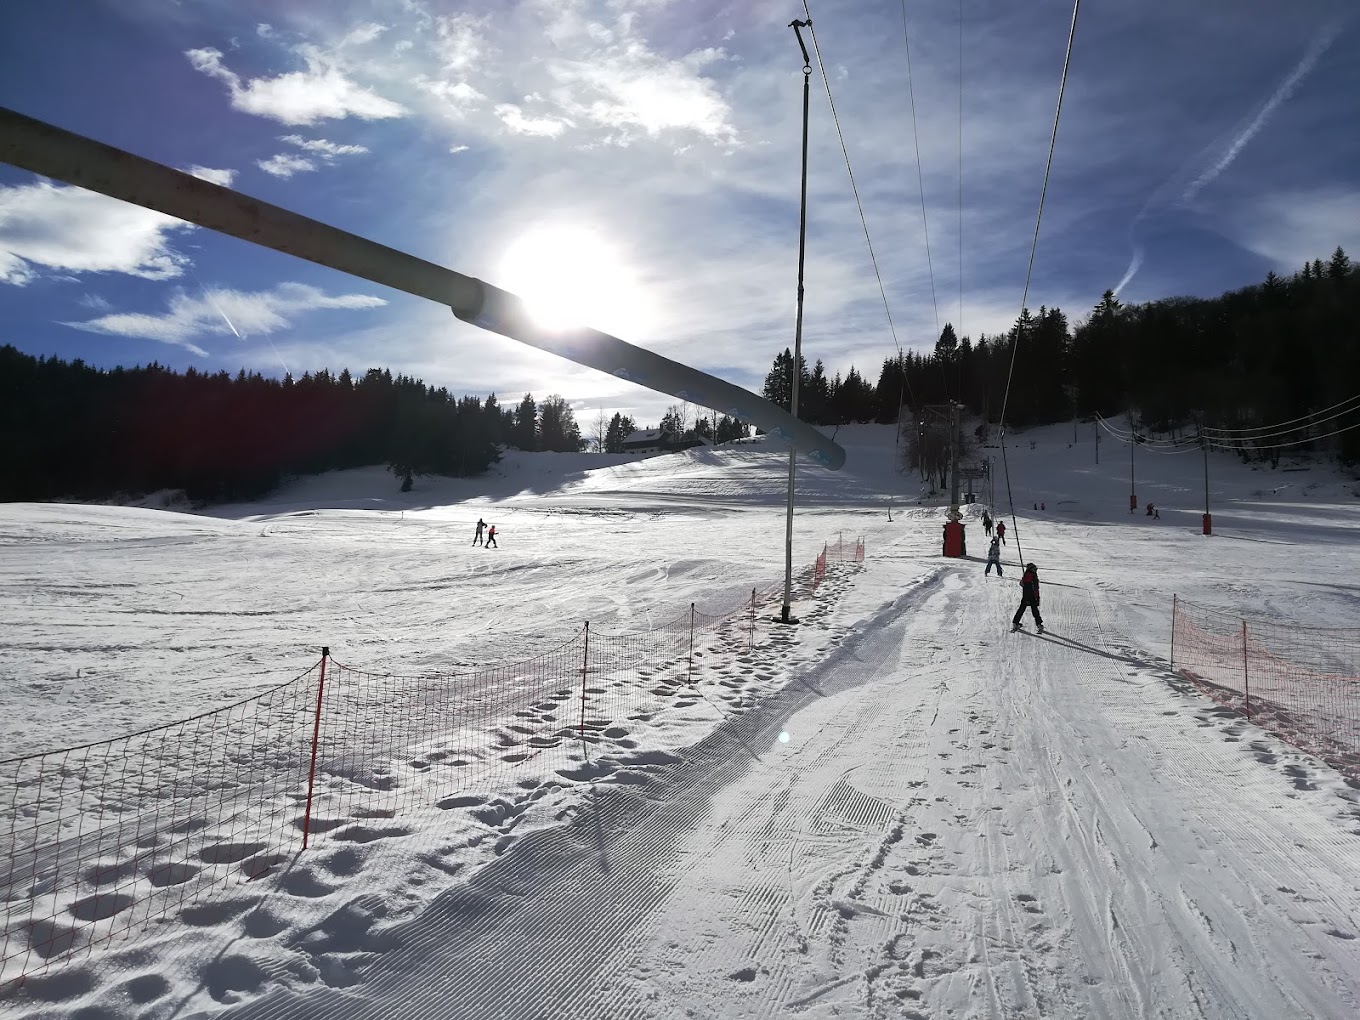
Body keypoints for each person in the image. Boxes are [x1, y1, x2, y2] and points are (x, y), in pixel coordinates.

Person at [1012, 562, 1044, 633]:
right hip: (1032, 596)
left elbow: (1022, 583)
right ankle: (1039, 624)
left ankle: (1015, 622)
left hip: (1025, 596)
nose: (1036, 570)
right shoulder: (1034, 577)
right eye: (1035, 569)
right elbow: (1035, 588)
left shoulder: (1025, 575)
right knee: (1035, 611)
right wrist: (1037, 597)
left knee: (1021, 609)